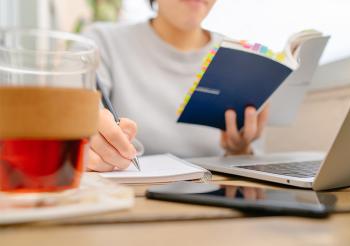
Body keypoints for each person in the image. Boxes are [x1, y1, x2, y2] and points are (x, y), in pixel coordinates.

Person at [84, 0, 269, 172]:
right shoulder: (101, 42)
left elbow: (255, 170)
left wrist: (239, 151)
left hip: (216, 197)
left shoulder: (240, 59)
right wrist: (89, 134)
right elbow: (82, 116)